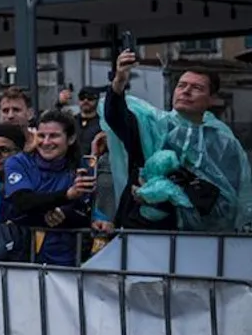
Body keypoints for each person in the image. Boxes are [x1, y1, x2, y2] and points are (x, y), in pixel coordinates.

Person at [105, 51, 252, 233]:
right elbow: (116, 117)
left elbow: (229, 197)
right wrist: (119, 81)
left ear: (212, 99)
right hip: (143, 230)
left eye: (197, 88)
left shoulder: (223, 142)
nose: (186, 91)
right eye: (181, 85)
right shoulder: (151, 125)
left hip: (199, 238)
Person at [3, 111, 98, 265]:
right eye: (41, 136)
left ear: (71, 138)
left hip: (68, 259)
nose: (46, 142)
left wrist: (63, 213)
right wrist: (66, 196)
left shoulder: (82, 167)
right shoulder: (18, 163)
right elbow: (23, 202)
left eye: (54, 136)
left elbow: (86, 211)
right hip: (21, 257)